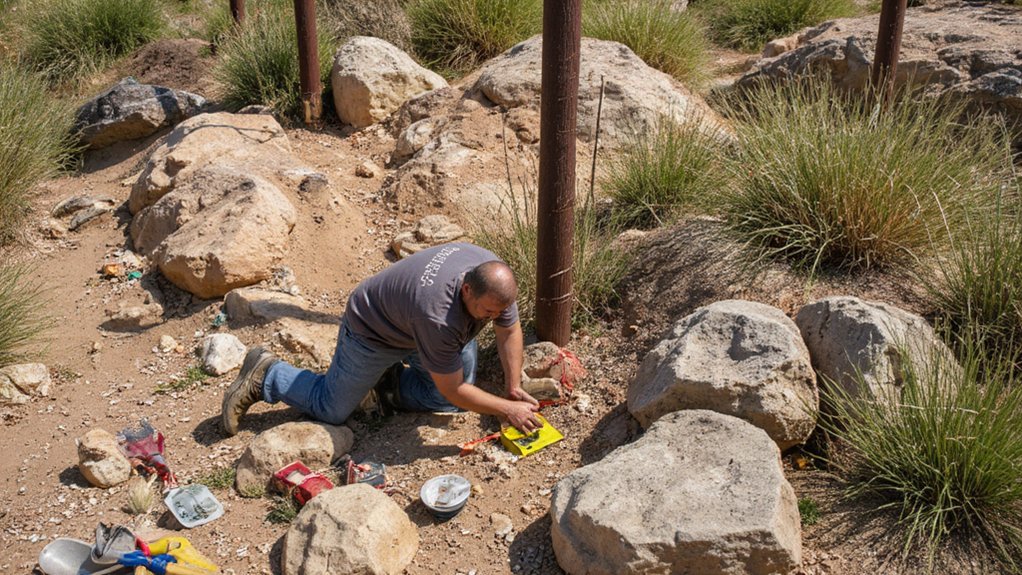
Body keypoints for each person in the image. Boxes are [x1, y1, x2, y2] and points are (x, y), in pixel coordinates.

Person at [221, 242, 542, 437]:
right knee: (331, 409)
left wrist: (513, 387)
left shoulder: (493, 279)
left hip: (413, 322)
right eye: (486, 311)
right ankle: (269, 374)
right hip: (372, 329)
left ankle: (383, 385)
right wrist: (506, 410)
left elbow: (509, 330)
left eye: (497, 311)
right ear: (467, 290)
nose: (491, 317)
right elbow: (456, 390)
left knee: (444, 400)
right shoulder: (438, 316)